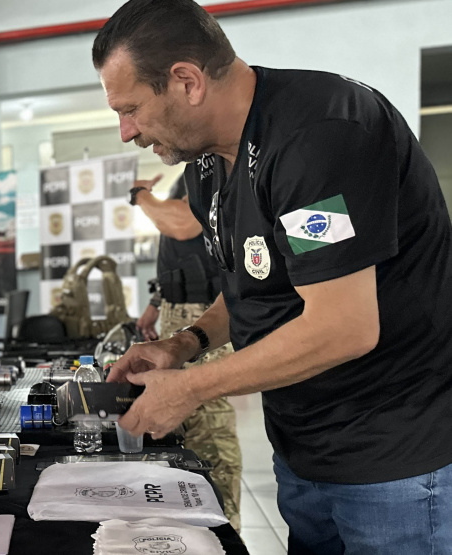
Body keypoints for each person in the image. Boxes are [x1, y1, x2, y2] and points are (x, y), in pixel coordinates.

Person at [95, 1, 452, 552]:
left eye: (131, 108)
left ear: (186, 80)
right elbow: (249, 286)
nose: (125, 132)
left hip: (393, 459)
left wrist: (190, 388)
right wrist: (186, 345)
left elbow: (344, 328)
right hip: (304, 450)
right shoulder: (208, 166)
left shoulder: (321, 133)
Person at [132, 174, 242, 532]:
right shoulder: (192, 175)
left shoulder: (214, 170)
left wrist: (140, 193)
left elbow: (181, 224)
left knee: (209, 421)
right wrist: (155, 303)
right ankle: (195, 524)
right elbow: (180, 251)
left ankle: (226, 527)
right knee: (185, 428)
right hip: (178, 308)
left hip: (205, 313)